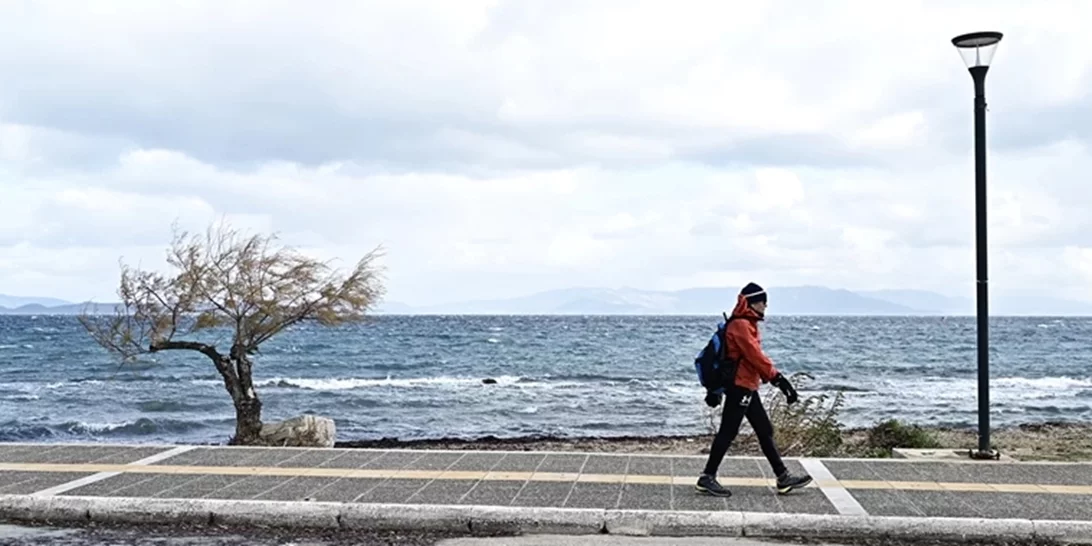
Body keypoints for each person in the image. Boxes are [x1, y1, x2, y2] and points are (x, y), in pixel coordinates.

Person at [695, 282, 813, 497]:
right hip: (740, 386)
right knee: (728, 432)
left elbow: (753, 358)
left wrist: (776, 379)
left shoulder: (747, 323)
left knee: (764, 430)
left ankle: (783, 477)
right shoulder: (740, 325)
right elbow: (754, 356)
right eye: (762, 302)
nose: (765, 306)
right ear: (751, 303)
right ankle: (707, 477)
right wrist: (778, 379)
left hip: (747, 385)